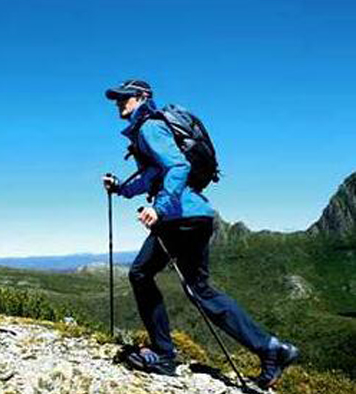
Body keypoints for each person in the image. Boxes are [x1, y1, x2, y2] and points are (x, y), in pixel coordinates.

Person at [102, 79, 298, 389]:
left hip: (179, 216)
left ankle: (164, 354)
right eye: (117, 99)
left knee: (140, 274)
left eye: (124, 98)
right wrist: (122, 189)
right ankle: (272, 349)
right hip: (197, 216)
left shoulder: (149, 128)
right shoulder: (153, 128)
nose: (118, 103)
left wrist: (160, 208)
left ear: (142, 98)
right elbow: (153, 175)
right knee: (200, 290)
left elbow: (177, 166)